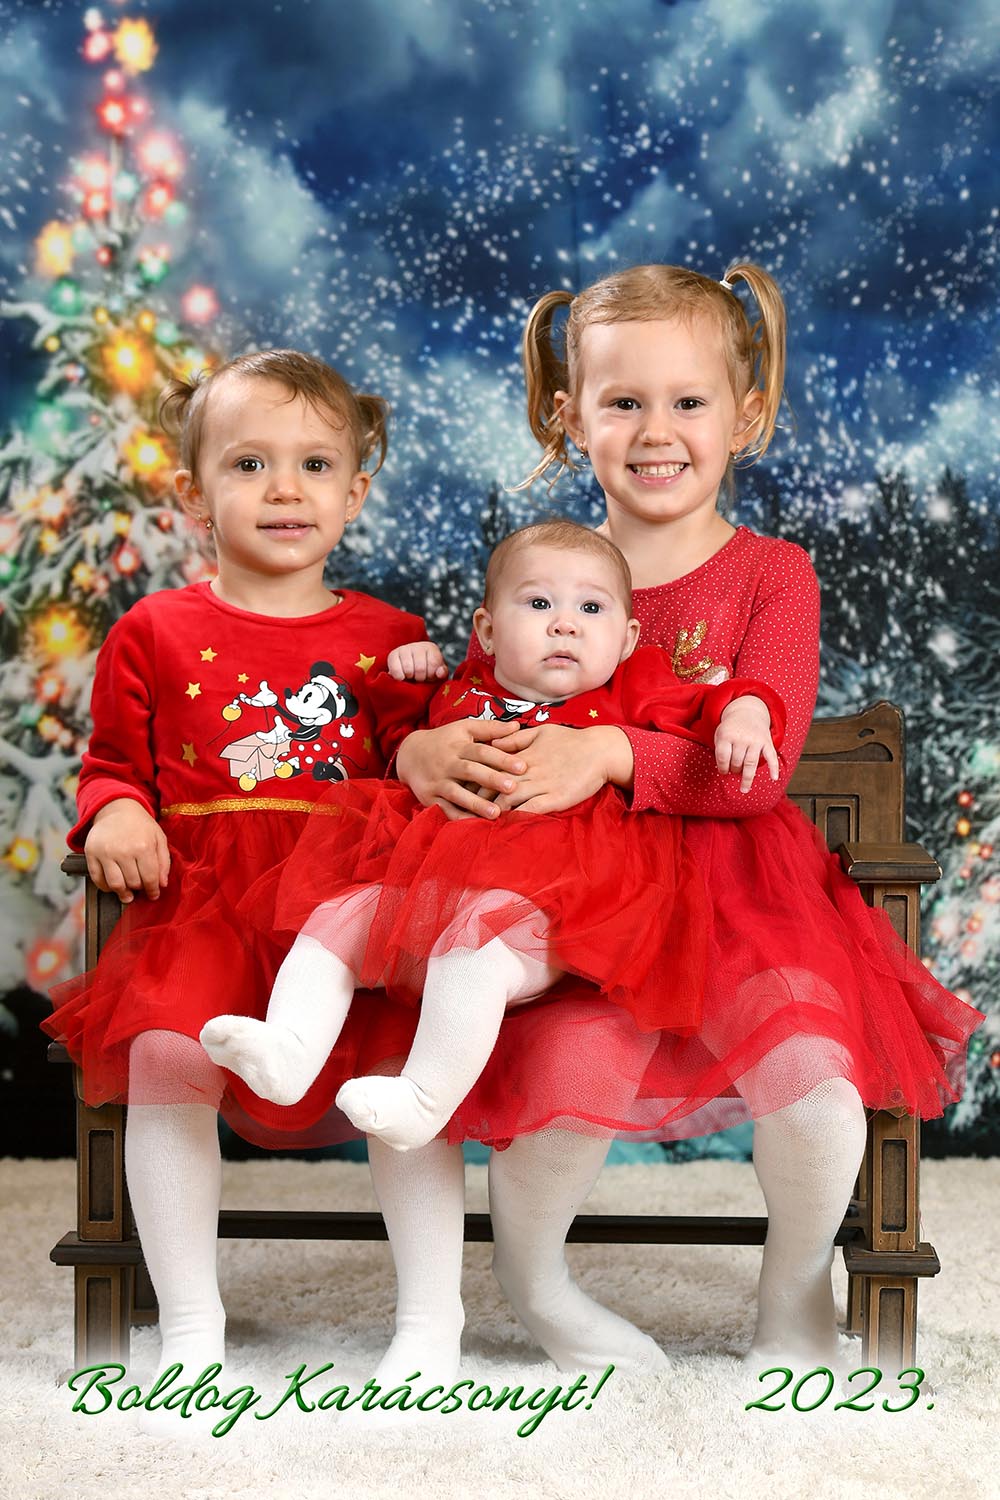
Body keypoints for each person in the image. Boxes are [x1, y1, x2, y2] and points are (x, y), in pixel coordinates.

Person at [364, 262, 984, 1385]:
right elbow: (476, 703)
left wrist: (609, 752)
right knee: (567, 1090)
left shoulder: (770, 576)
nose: (657, 432)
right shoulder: (544, 571)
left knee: (815, 1087)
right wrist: (421, 748)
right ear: (570, 417)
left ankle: (793, 1290)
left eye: (688, 401)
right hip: (569, 907)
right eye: (623, 402)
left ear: (744, 415)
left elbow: (754, 777)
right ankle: (536, 1286)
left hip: (736, 898)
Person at [42, 349, 437, 1402]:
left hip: (347, 912)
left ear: (355, 493)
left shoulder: (389, 640)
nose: (284, 489)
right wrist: (118, 809)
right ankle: (190, 1325)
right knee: (167, 1057)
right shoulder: (154, 631)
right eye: (250, 464)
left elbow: (423, 766)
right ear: (193, 493)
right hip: (204, 903)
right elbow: (111, 765)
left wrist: (435, 700)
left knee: (401, 1080)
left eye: (315, 465)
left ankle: (427, 1322)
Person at [201, 519, 785, 1154]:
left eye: (591, 609)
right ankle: (290, 1050)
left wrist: (746, 711)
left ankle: (423, 1099)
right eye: (538, 603)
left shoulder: (631, 688)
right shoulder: (465, 692)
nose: (565, 625)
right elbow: (399, 738)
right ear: (486, 631)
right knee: (338, 917)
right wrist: (410, 677)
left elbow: (704, 704)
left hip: (559, 903)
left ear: (627, 640)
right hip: (428, 880)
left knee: (472, 948)